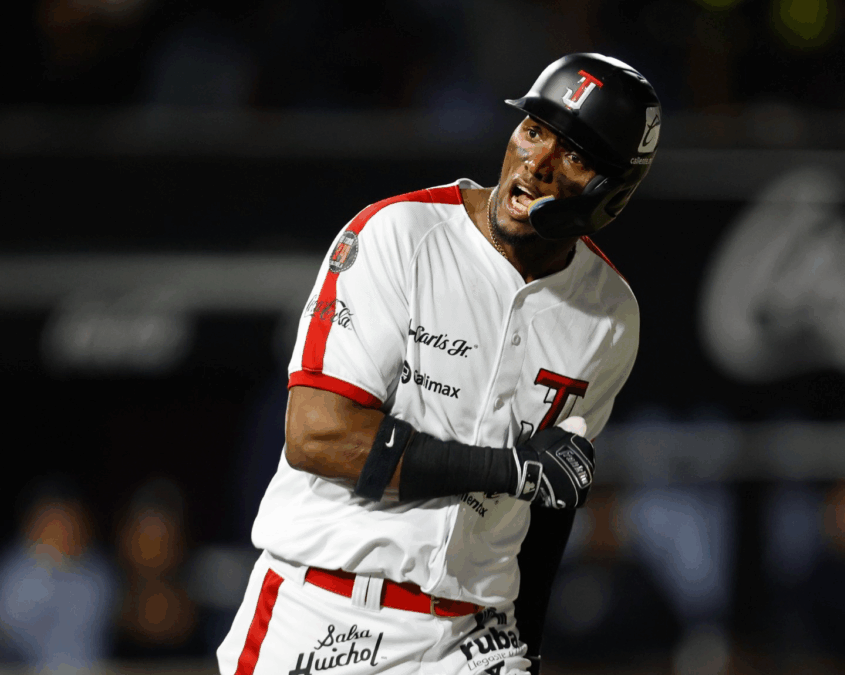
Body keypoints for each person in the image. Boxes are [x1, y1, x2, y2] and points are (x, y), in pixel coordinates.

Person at [216, 52, 661, 675]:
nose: (536, 162)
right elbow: (317, 435)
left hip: (470, 635)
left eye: (574, 155)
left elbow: (550, 495)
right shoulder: (398, 235)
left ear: (610, 195)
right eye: (533, 131)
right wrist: (507, 471)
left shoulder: (611, 316)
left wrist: (529, 643)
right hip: (324, 609)